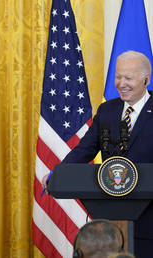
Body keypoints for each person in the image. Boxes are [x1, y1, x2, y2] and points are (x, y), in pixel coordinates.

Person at [41, 50, 153, 256]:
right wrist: (59, 172)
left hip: (149, 219)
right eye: (118, 76)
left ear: (146, 79)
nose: (121, 83)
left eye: (128, 78)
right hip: (111, 221)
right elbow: (85, 149)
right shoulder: (107, 110)